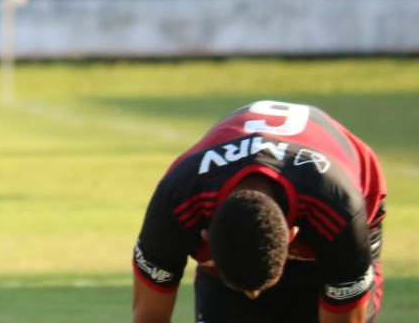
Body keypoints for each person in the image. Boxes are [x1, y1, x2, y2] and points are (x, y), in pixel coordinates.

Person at [132, 100, 386, 323]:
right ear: (207, 237)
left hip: (336, 207)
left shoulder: (338, 210)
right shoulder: (177, 202)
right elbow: (149, 318)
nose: (253, 297)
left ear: (290, 237)